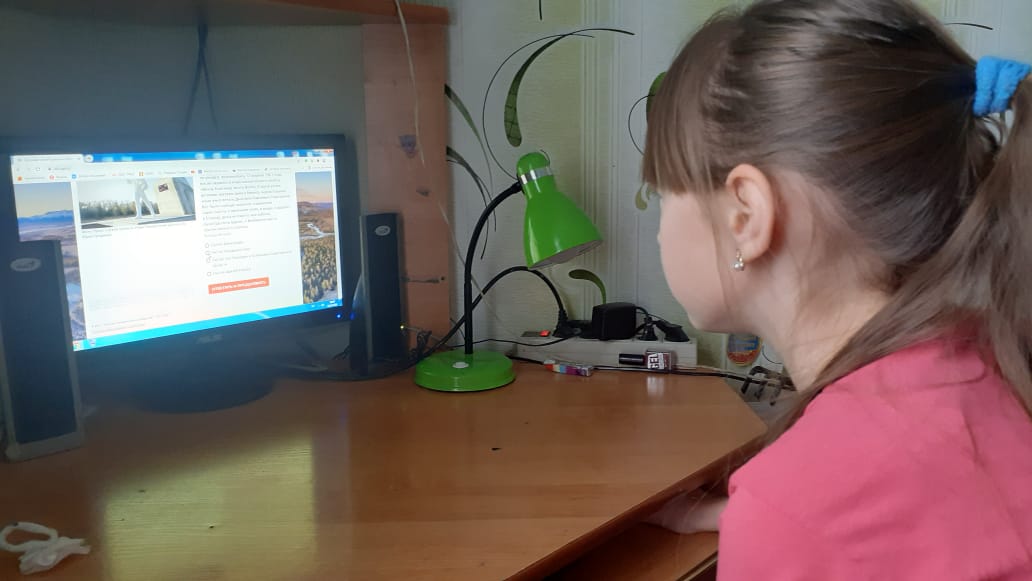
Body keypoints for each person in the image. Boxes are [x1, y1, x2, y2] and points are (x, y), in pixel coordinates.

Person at [642, 0, 1032, 578]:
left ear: (746, 214)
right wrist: (748, 518)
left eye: (662, 194)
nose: (658, 230)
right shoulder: (986, 360)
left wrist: (778, 524)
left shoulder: (801, 507)